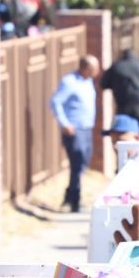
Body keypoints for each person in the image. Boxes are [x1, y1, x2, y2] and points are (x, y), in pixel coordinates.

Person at [50, 55, 99, 213]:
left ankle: (70, 196)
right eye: (94, 69)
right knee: (77, 163)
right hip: (74, 130)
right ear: (86, 68)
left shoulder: (88, 81)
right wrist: (65, 123)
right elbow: (56, 102)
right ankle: (74, 200)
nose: (97, 72)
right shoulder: (70, 82)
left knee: (83, 162)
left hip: (86, 128)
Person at [99, 48, 139, 139]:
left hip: (122, 105)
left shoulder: (116, 67)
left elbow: (103, 84)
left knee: (121, 132)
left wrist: (117, 84)